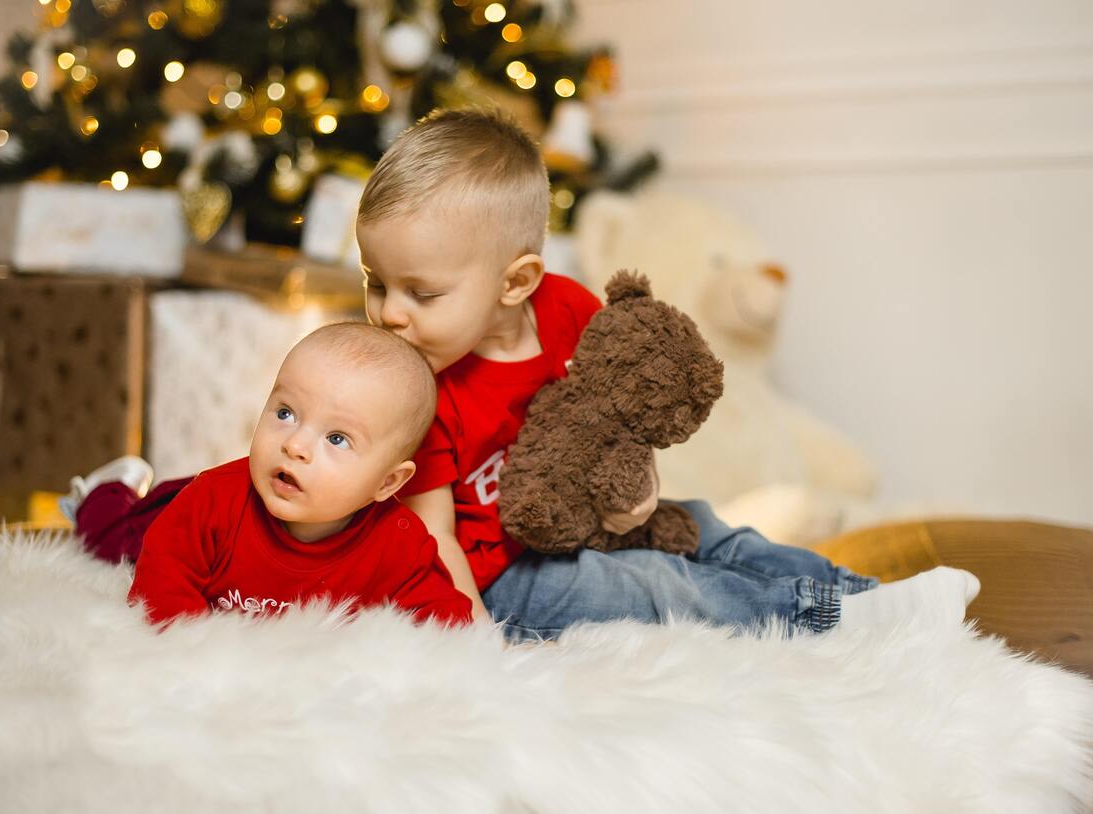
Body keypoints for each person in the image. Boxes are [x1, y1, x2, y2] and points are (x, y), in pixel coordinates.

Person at [352, 107, 979, 639]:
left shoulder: (567, 309)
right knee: (653, 586)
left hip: (589, 524)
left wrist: (641, 491)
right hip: (508, 582)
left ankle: (867, 596)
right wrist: (476, 643)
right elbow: (434, 542)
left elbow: (621, 414)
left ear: (517, 282)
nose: (390, 315)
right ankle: (831, 623)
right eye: (376, 284)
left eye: (421, 293)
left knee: (705, 524)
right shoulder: (412, 391)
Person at [67, 322, 472, 628]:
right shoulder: (212, 503)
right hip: (174, 508)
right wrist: (198, 653)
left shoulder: (399, 544)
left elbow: (446, 625)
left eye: (336, 438)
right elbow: (163, 585)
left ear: (387, 482)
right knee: (109, 541)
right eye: (285, 413)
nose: (295, 444)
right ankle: (108, 489)